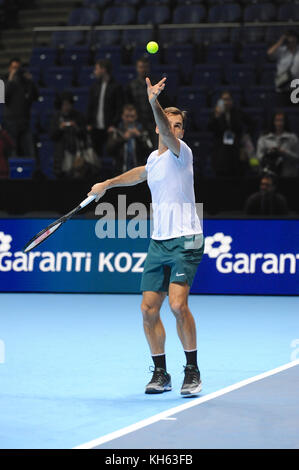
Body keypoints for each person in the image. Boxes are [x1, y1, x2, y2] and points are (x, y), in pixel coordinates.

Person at [88, 77, 205, 397]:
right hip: (159, 241)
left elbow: (166, 132)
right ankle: (160, 372)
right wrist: (107, 184)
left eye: (179, 125)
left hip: (188, 238)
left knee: (178, 306)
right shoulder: (154, 160)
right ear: (156, 128)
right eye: (170, 124)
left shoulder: (183, 154)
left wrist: (153, 101)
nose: (174, 128)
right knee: (148, 309)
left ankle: (192, 370)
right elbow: (138, 174)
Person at [207, 90, 254, 178]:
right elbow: (209, 128)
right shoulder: (216, 114)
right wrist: (217, 116)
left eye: (228, 99)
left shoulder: (238, 113)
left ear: (232, 101)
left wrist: (246, 136)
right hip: (221, 153)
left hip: (236, 151)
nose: (226, 102)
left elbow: (252, 124)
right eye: (223, 100)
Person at [125, 57, 170, 147]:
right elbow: (128, 106)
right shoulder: (131, 85)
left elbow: (164, 103)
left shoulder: (157, 85)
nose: (143, 69)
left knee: (155, 147)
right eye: (141, 67)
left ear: (148, 68)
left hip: (154, 121)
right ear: (137, 68)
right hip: (138, 122)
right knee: (139, 147)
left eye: (145, 67)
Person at [86, 59, 123, 159]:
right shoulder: (94, 87)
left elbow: (119, 108)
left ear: (104, 70)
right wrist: (89, 123)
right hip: (95, 128)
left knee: (112, 153)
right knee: (95, 156)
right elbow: (91, 106)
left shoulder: (116, 86)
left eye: (97, 69)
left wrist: (114, 124)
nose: (95, 71)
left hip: (110, 128)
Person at [3, 57, 39, 158]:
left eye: (18, 68)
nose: (16, 70)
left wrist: (31, 81)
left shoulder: (26, 82)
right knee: (13, 151)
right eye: (13, 67)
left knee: (29, 151)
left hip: (24, 120)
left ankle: (30, 172)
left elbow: (35, 96)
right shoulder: (5, 80)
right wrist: (10, 79)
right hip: (10, 122)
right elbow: (4, 97)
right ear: (9, 68)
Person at [50, 92, 88, 179]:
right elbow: (52, 136)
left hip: (77, 153)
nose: (66, 107)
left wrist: (76, 127)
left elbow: (84, 134)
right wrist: (60, 128)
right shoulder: (56, 117)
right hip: (61, 154)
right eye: (64, 105)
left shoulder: (78, 116)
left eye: (68, 104)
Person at [106, 103, 153, 174]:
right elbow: (109, 150)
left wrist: (139, 136)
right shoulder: (116, 131)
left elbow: (150, 150)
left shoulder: (142, 131)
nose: (130, 119)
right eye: (127, 116)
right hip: (120, 172)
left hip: (139, 173)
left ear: (136, 117)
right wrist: (123, 138)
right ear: (122, 116)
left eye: (132, 116)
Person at [256, 111, 299, 177]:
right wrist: (269, 153)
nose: (279, 123)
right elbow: (259, 157)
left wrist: (284, 152)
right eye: (277, 120)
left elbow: (297, 157)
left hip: (288, 175)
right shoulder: (264, 138)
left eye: (281, 120)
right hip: (269, 175)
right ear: (273, 122)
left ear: (285, 122)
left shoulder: (292, 138)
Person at [267, 29, 299, 107]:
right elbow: (269, 53)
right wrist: (281, 40)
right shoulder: (281, 51)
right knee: (281, 112)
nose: (291, 41)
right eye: (289, 39)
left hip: (296, 89)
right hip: (283, 87)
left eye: (293, 38)